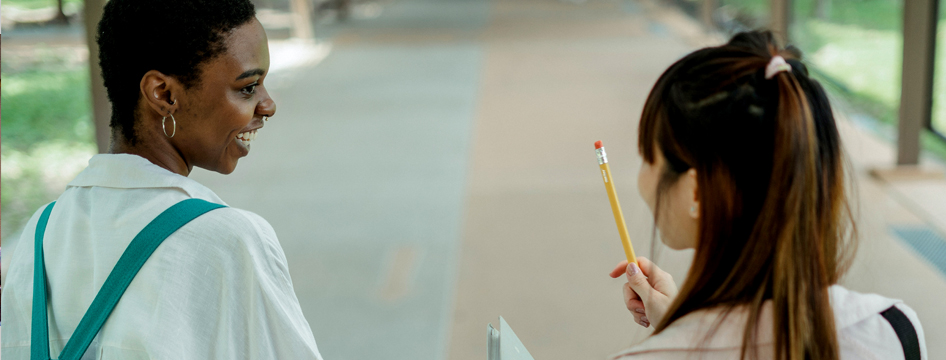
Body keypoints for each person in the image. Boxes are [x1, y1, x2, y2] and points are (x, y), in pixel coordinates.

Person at [0, 1, 323, 359]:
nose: (268, 105)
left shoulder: (38, 236)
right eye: (247, 88)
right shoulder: (229, 241)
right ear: (164, 94)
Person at [607, 31, 927, 359]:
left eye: (648, 156)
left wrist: (680, 335)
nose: (642, 179)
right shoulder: (894, 331)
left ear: (697, 193)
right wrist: (681, 326)